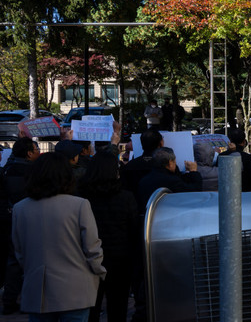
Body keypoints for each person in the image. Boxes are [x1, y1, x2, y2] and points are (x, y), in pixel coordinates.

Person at [12, 152, 106, 321]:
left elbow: (19, 251)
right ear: (67, 176)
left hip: (37, 290)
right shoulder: (79, 205)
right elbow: (92, 248)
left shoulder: (20, 208)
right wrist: (100, 273)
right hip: (75, 288)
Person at [79, 151, 138, 322]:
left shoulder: (81, 197)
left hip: (87, 257)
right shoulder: (126, 197)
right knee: (118, 306)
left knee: (91, 307)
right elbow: (133, 229)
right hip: (120, 258)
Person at [1, 137, 39, 315]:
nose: (39, 152)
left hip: (8, 220)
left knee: (13, 261)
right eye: (36, 149)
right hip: (29, 221)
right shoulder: (33, 173)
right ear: (29, 153)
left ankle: (9, 300)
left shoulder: (7, 170)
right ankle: (27, 300)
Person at [136, 147, 202, 212]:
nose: (175, 164)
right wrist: (193, 171)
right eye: (174, 162)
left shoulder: (143, 181)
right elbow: (195, 191)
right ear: (170, 163)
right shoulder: (172, 181)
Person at [120, 129, 163, 197]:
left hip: (135, 205)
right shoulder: (166, 166)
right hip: (159, 205)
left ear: (142, 144)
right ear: (161, 144)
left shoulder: (129, 166)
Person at [220, 127, 251, 191]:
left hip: (226, 190)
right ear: (244, 142)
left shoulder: (221, 156)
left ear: (230, 141)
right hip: (245, 191)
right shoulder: (249, 158)